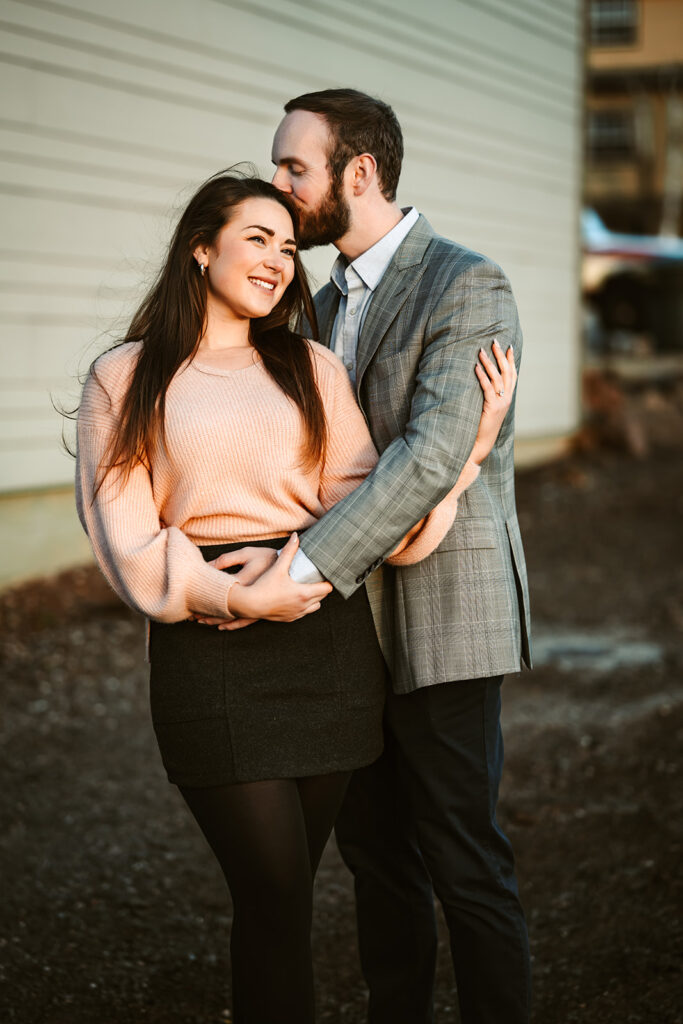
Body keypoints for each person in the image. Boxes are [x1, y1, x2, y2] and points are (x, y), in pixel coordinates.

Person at [74, 171, 517, 1024]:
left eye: (288, 245)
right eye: (257, 239)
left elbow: (368, 511)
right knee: (273, 889)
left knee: (282, 902)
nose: (279, 260)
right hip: (211, 653)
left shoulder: (310, 365)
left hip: (327, 647)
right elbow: (126, 539)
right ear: (201, 248)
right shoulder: (122, 377)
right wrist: (237, 599)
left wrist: (465, 457)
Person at [217, 89, 533, 1024]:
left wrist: (298, 568)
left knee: (463, 858)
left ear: (359, 173)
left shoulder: (467, 284)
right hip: (343, 641)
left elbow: (432, 454)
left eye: (293, 167)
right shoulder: (309, 303)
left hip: (443, 612)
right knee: (376, 861)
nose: (278, 186)